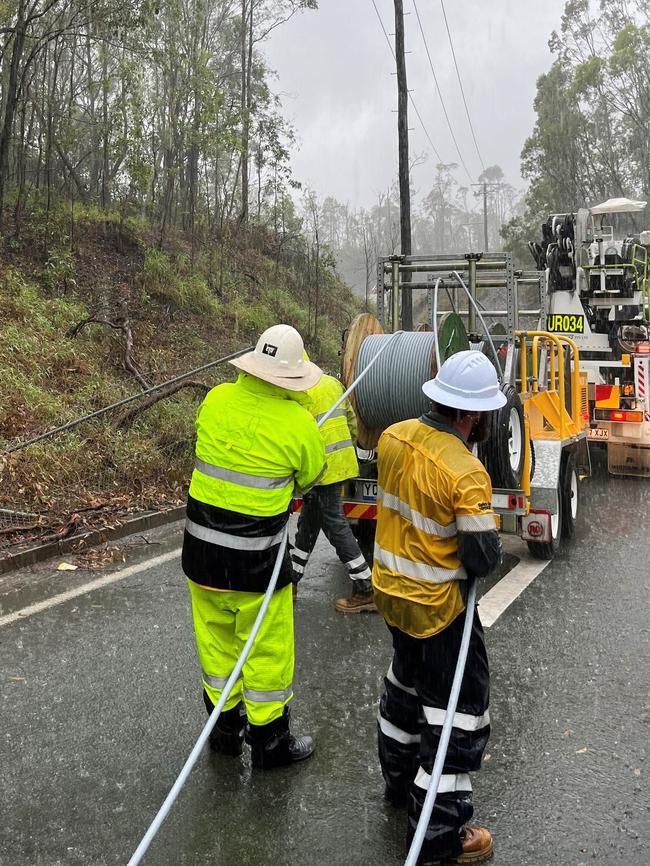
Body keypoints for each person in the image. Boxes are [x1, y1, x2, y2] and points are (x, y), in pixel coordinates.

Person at [373, 350, 505, 864]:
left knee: (404, 692)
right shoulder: (466, 472)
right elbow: (482, 556)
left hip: (393, 598)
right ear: (472, 415)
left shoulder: (393, 437)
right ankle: (437, 836)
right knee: (459, 715)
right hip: (439, 611)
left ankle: (398, 783)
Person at [181, 324, 326, 769]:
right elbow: (313, 476)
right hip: (256, 563)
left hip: (202, 554)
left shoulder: (215, 400)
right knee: (265, 650)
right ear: (290, 377)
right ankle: (270, 743)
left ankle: (224, 731)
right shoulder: (298, 423)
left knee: (217, 645)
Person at [290, 369, 375, 613]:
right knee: (309, 522)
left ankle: (365, 588)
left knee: (336, 527)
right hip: (340, 464)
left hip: (319, 469)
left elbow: (297, 434)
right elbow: (351, 423)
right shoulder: (331, 383)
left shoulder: (297, 390)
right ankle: (292, 581)